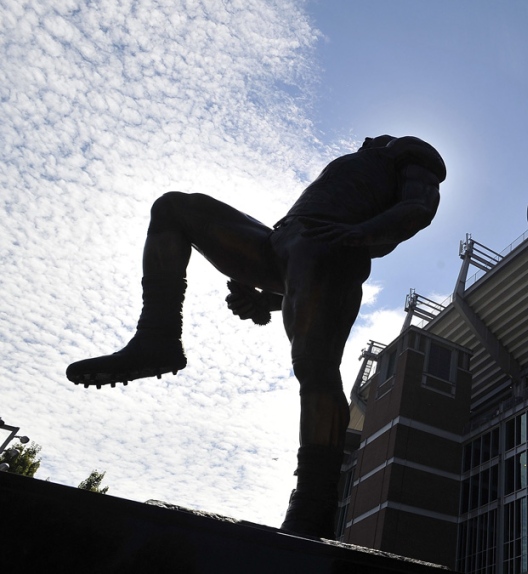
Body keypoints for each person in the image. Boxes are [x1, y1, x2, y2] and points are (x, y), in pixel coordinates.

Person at [66, 135, 445, 539]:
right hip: (280, 241)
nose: (367, 139)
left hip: (326, 244)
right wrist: (267, 300)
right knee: (174, 207)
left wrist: (357, 235)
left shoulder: (406, 150)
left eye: (374, 138)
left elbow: (417, 208)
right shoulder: (355, 163)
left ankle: (313, 504)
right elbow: (301, 280)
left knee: (314, 367)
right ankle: (157, 336)